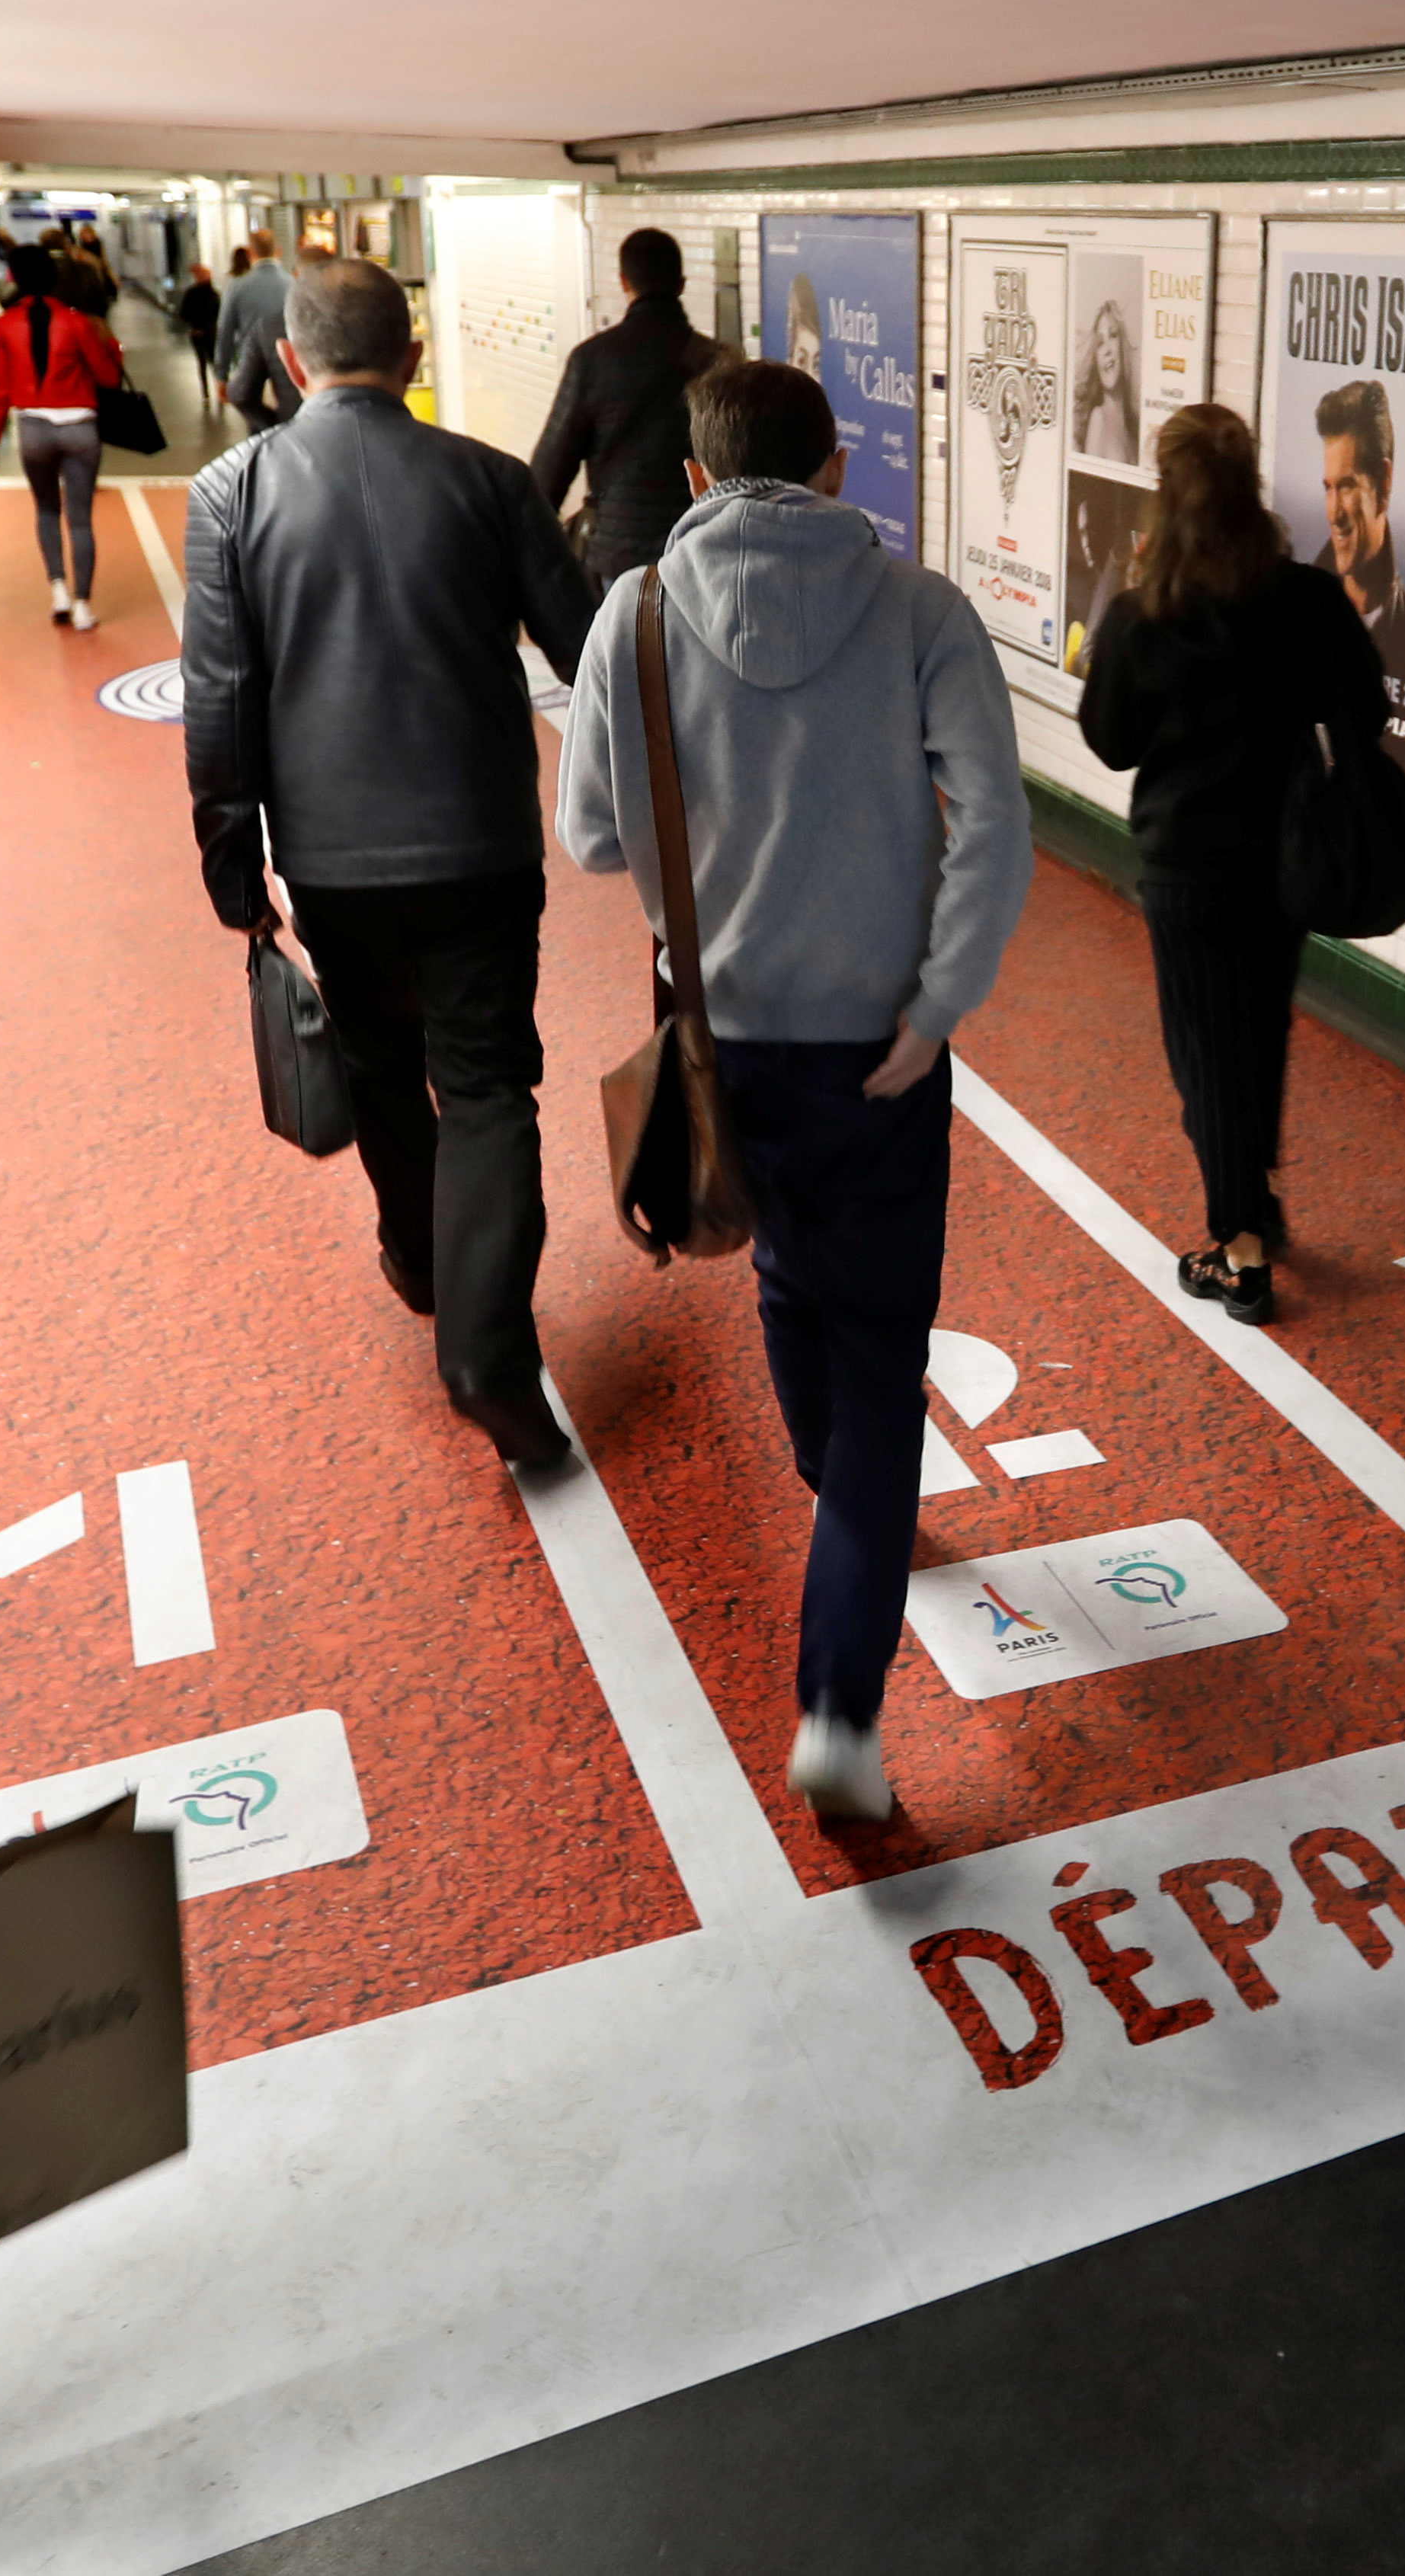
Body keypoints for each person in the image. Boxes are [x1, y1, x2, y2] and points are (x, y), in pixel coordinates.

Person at [556, 361, 1030, 1821]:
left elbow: (583, 836)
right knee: (885, 1352)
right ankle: (836, 1704)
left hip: (718, 1042)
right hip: (879, 1048)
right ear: (836, 471)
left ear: (696, 481)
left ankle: (831, 1478)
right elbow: (995, 825)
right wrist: (935, 1002)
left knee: (777, 1260)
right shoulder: (919, 611)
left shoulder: (627, 615)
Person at [184, 259, 600, 1468]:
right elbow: (585, 651)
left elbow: (220, 697)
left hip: (330, 855)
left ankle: (420, 1261)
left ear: (293, 363)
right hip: (478, 842)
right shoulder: (490, 481)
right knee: (485, 1086)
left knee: (376, 1063)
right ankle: (487, 1352)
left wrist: (232, 863)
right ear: (411, 360)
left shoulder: (231, 491)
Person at [1077, 405, 1386, 1328]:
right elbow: (1363, 709)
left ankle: (1240, 1254)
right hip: (1283, 858)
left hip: (1185, 868)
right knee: (1256, 1036)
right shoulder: (1304, 595)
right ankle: (1255, 1198)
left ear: (1167, 496)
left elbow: (1111, 740)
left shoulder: (1144, 609)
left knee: (1205, 1057)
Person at [532, 225, 721, 585]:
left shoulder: (591, 359)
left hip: (619, 559)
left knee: (624, 641)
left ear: (624, 282)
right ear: (681, 285)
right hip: (700, 553)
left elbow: (549, 472)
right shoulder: (717, 362)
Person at [0, 242, 125, 632]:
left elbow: (0, 393)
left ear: (16, 279)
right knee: (80, 519)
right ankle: (82, 606)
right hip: (80, 429)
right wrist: (112, 344)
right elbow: (109, 378)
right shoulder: (77, 323)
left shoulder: (6, 326)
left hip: (34, 431)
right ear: (53, 277)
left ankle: (58, 590)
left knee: (46, 510)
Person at [1311, 379, 1405, 739]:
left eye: (1347, 486)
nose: (1334, 513)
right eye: (1328, 488)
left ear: (1384, 484)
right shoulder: (1293, 614)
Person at [216, 227, 296, 434]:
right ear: (278, 251)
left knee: (250, 403)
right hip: (288, 356)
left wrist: (221, 374)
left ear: (250, 252)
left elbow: (225, 330)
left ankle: (264, 437)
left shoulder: (237, 286)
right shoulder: (293, 283)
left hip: (250, 359)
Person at [1071, 294, 1138, 462]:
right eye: (1100, 344)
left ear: (1122, 345)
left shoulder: (1134, 428)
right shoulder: (1099, 420)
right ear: (1095, 359)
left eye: (1113, 336)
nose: (1107, 350)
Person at [178, 260, 222, 409]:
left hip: (199, 332)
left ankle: (208, 392)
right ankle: (215, 389)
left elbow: (183, 314)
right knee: (211, 361)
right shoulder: (213, 294)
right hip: (209, 332)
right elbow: (219, 314)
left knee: (203, 362)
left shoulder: (192, 293)